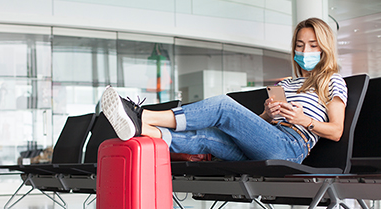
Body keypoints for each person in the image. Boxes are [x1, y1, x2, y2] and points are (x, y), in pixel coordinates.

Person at [100, 17, 348, 164]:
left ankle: (142, 116)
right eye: (300, 45)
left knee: (223, 106)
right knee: (206, 137)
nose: (305, 52)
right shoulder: (285, 84)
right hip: (268, 142)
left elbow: (336, 131)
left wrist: (305, 120)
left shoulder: (332, 80)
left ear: (324, 47)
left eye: (313, 46)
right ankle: (142, 129)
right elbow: (261, 129)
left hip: (291, 147)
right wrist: (267, 116)